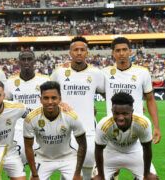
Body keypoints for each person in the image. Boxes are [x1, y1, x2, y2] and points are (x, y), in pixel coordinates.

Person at [51, 36, 105, 179]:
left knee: (88, 170)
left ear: (87, 53)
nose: (79, 52)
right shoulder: (59, 73)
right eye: (76, 50)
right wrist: (58, 103)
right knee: (68, 172)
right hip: (65, 130)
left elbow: (109, 95)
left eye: (82, 50)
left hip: (89, 130)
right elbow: (48, 95)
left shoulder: (96, 74)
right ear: (70, 52)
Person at [102, 37, 161, 144]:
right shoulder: (104, 73)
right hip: (112, 127)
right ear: (113, 53)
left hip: (137, 127)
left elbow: (150, 99)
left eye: (124, 50)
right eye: (118, 50)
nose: (121, 53)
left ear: (130, 51)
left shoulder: (142, 72)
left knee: (143, 159)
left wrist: (156, 127)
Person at [24, 81, 87, 180]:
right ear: (40, 99)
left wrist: (78, 173)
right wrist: (35, 175)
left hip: (68, 158)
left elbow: (82, 144)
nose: (50, 102)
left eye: (53, 98)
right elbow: (28, 147)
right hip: (43, 159)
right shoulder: (31, 118)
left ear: (60, 99)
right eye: (46, 98)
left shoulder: (71, 116)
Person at [93, 92, 158, 180]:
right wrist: (100, 175)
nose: (120, 118)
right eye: (116, 113)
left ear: (132, 112)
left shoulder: (143, 123)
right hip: (110, 152)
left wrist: (146, 174)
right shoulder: (103, 125)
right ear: (112, 111)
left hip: (134, 151)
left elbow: (147, 149)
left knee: (151, 179)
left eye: (125, 113)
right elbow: (98, 150)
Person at [5, 50, 50, 164]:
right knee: (17, 169)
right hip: (17, 131)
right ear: (18, 62)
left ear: (34, 61)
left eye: (29, 59)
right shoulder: (10, 82)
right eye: (23, 59)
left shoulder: (45, 80)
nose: (26, 62)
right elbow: (5, 107)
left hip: (40, 129)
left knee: (40, 171)